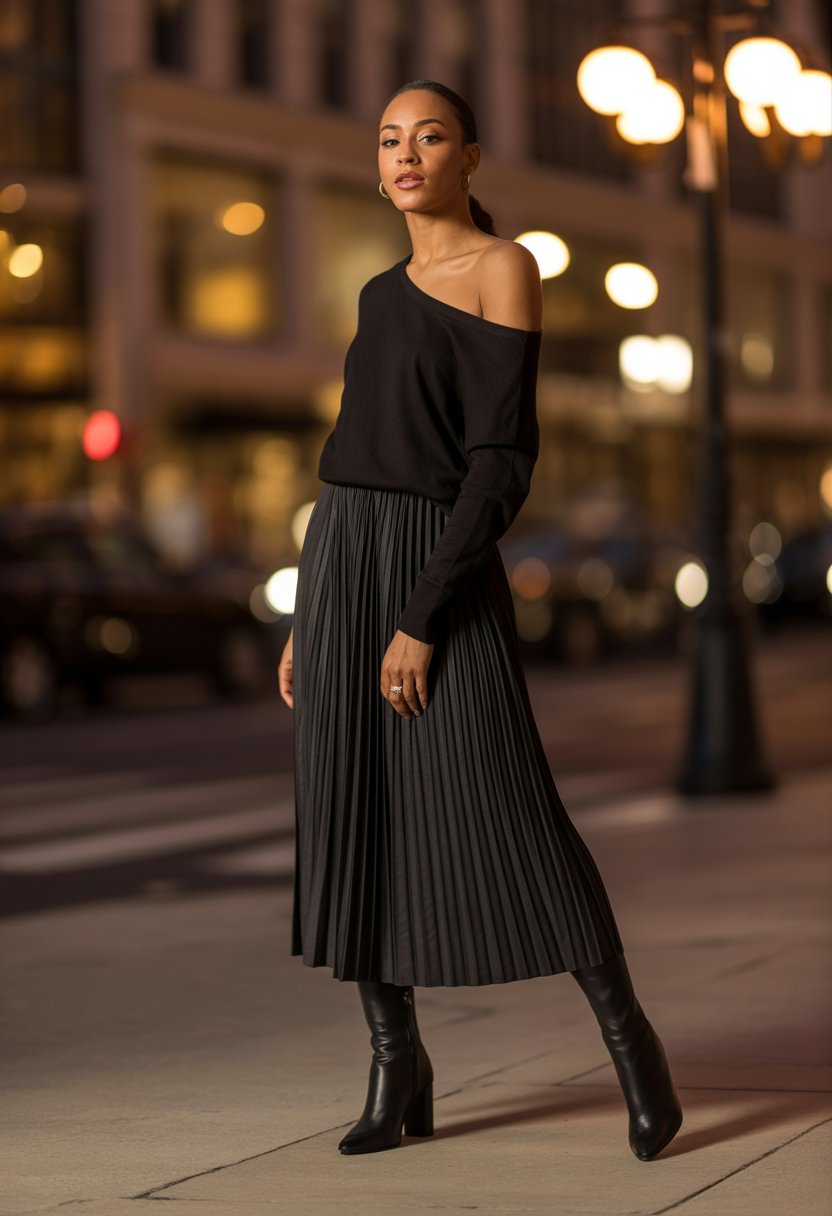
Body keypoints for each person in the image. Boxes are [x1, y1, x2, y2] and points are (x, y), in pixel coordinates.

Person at [278, 79, 682, 1162]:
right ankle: (394, 1058)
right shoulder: (374, 293)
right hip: (342, 561)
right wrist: (311, 614)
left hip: (434, 568)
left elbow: (501, 466)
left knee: (515, 809)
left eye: (430, 137)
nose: (406, 154)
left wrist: (420, 612)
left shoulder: (506, 268)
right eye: (389, 140)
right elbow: (353, 457)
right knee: (351, 811)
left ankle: (632, 1045)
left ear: (469, 158)